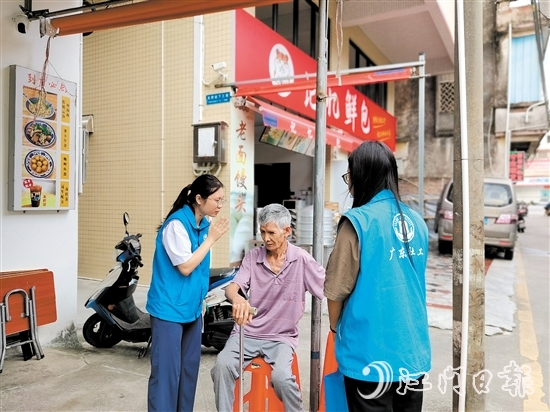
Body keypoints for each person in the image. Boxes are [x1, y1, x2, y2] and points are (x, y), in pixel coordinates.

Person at [324, 141, 431, 412]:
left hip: (369, 354)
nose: (349, 185)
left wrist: (336, 328)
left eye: (349, 177)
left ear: (361, 177)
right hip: (412, 351)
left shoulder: (356, 222)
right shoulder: (417, 221)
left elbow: (336, 290)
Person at [211, 203, 325, 412]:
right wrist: (237, 298)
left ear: (287, 231)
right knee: (221, 366)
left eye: (271, 232)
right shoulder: (253, 258)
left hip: (281, 337)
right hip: (248, 333)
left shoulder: (301, 259)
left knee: (281, 377)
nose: (266, 238)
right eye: (262, 232)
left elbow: (328, 287)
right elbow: (233, 288)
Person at [146, 174, 230, 412]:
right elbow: (185, 267)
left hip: (193, 308)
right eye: (216, 200)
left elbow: (200, 270)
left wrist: (201, 299)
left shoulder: (202, 224)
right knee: (166, 375)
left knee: (188, 371)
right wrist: (211, 239)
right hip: (168, 310)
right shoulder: (176, 225)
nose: (220, 205)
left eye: (222, 200)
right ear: (199, 198)